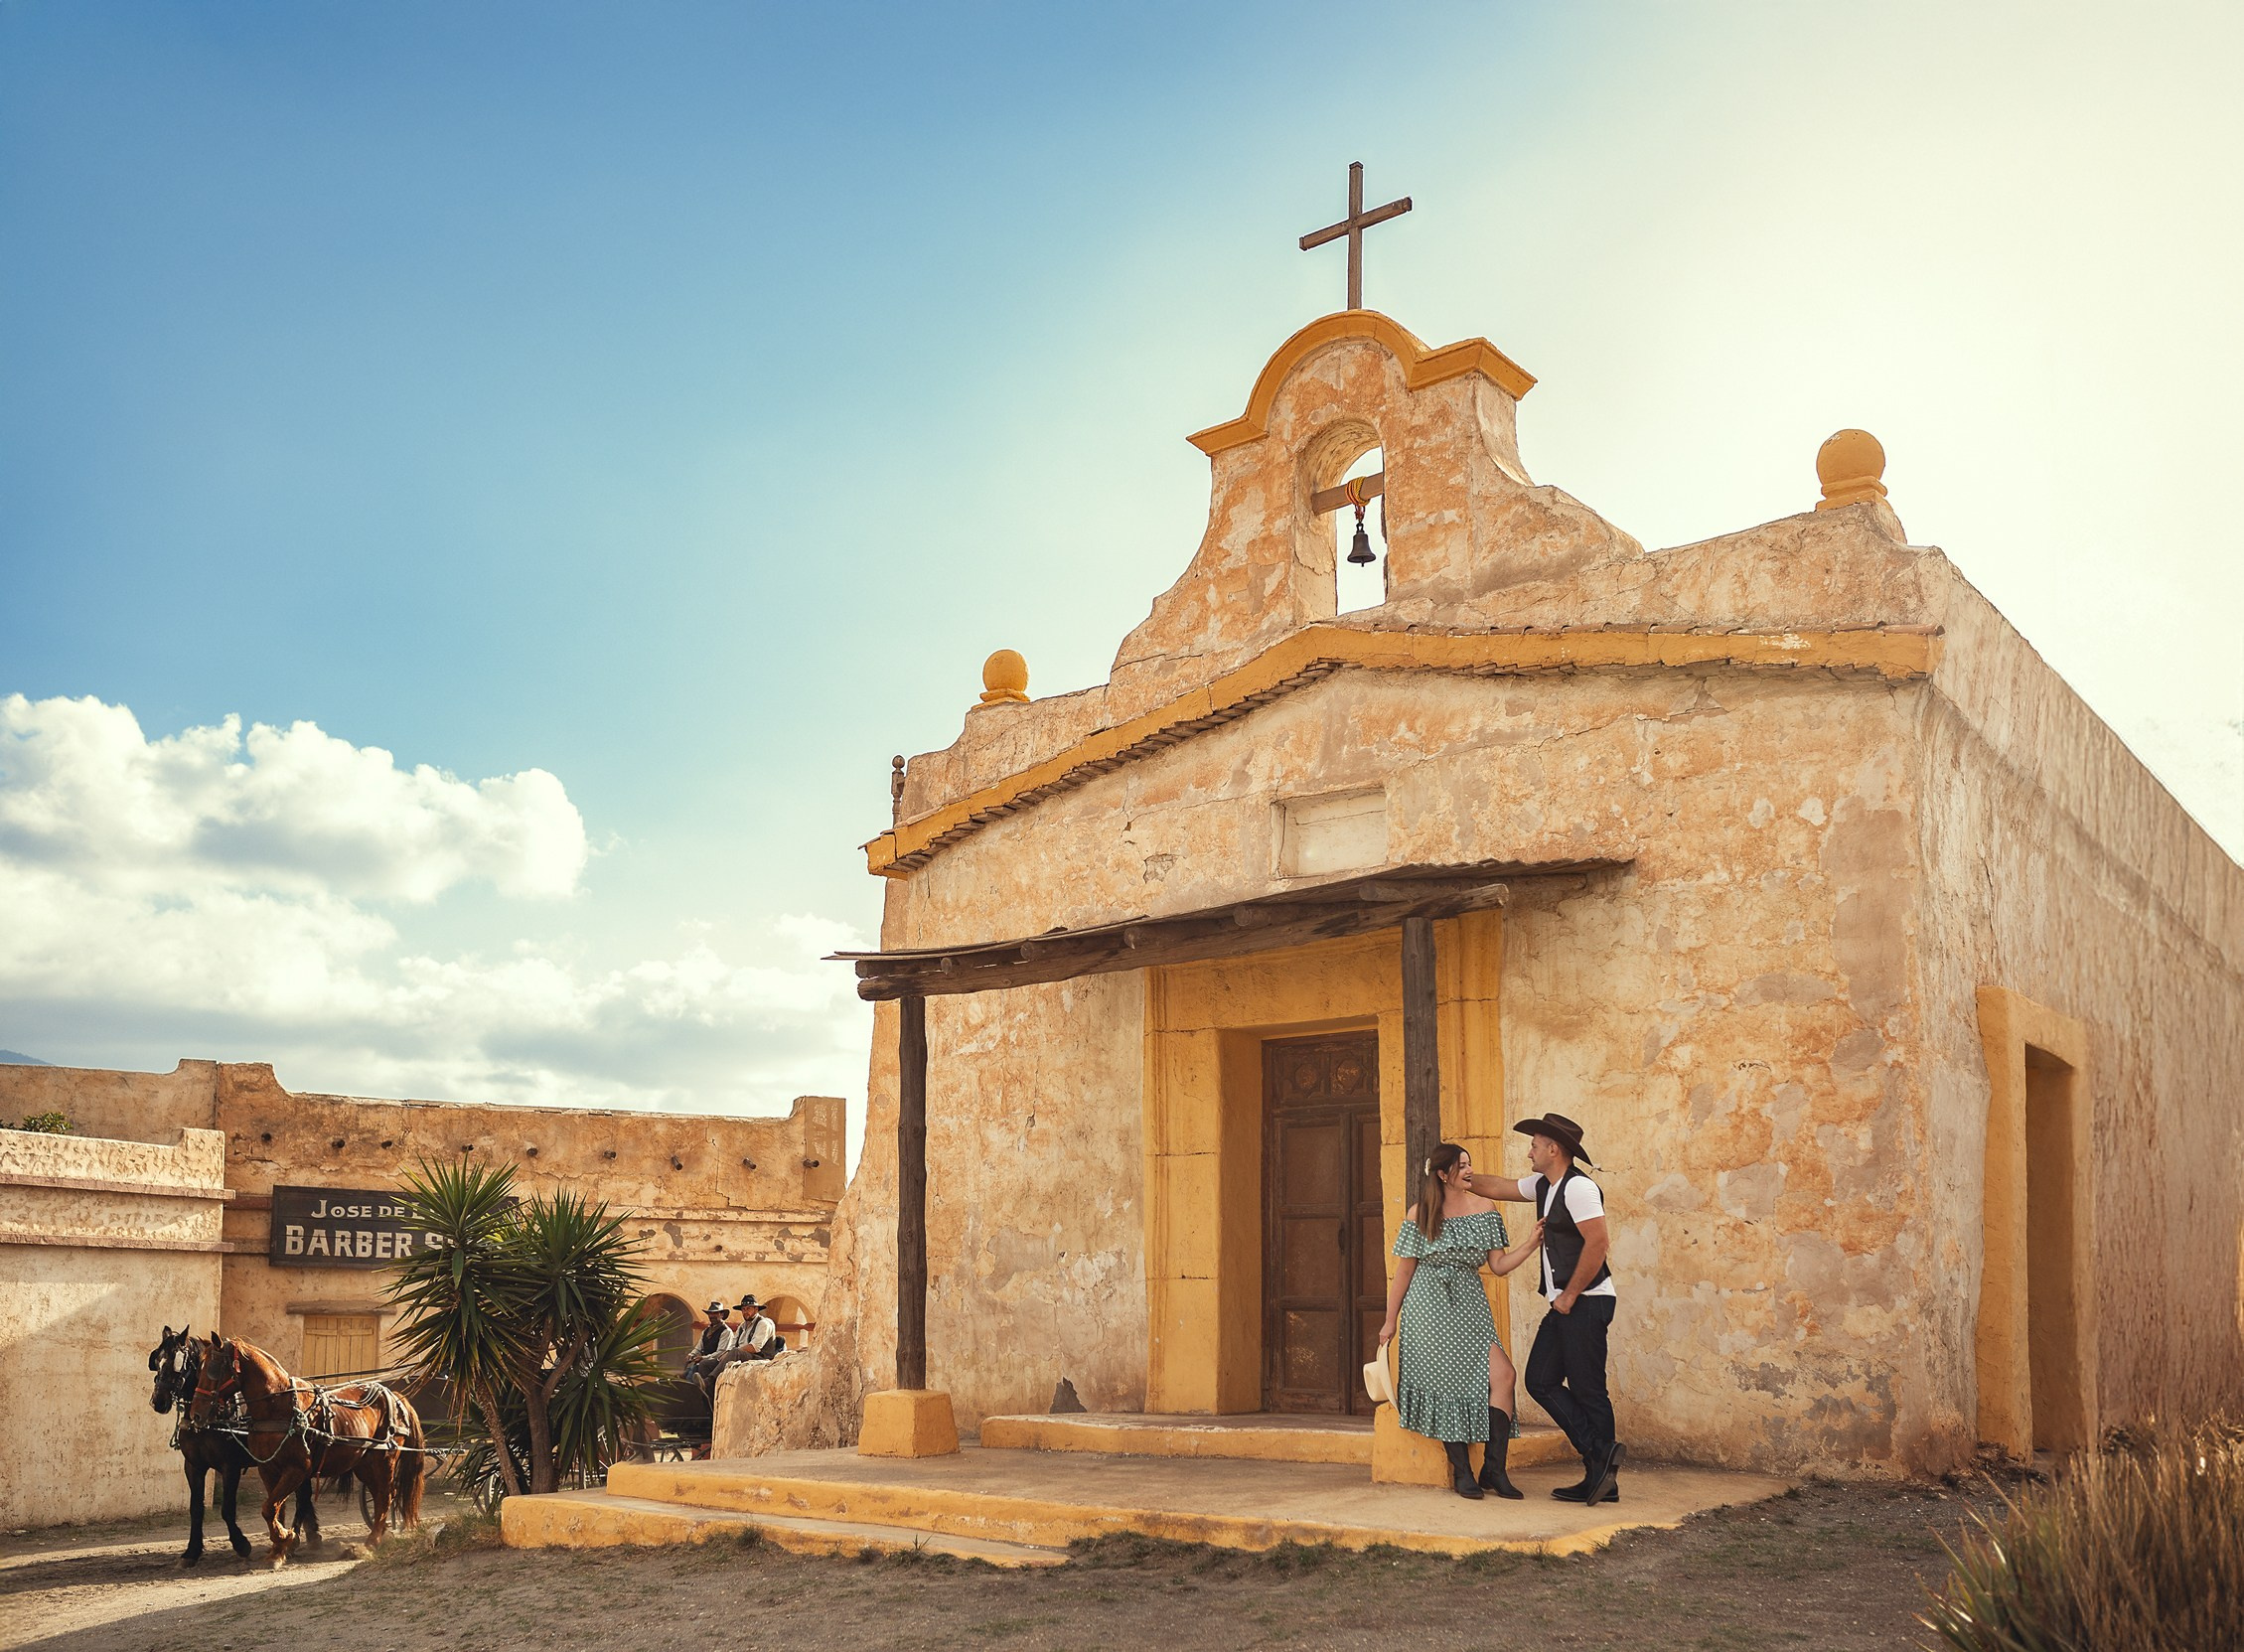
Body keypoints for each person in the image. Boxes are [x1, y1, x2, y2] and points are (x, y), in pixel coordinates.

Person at [1469, 1112, 1624, 1506]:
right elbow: (1500, 1187)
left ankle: (1602, 1476)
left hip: (1586, 1300)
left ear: (1553, 1149)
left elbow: (1598, 1242)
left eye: (1534, 1146)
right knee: (1539, 1379)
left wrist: (1569, 1296)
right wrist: (1457, 1176)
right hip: (1567, 1303)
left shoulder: (1579, 1188)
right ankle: (1599, 1457)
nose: (1529, 1152)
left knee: (1588, 1389)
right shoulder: (1545, 1184)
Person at [1375, 1140, 1545, 1500]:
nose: (1470, 1171)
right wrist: (1390, 1320)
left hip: (1470, 1303)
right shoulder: (1420, 1214)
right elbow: (1404, 1272)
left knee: (1504, 1375)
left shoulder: (1485, 1208)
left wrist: (1530, 1244)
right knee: (1445, 1383)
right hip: (1428, 1306)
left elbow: (1498, 1266)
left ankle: (1494, 1470)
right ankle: (1462, 1472)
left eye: (1469, 1164)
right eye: (1462, 1166)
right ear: (1442, 1174)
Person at [685, 1299, 738, 1390]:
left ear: (721, 1315)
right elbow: (699, 1347)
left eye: (715, 1313)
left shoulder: (726, 1332)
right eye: (710, 1314)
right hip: (705, 1361)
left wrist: (703, 1358)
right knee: (689, 1372)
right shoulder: (706, 1331)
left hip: (716, 1363)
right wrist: (692, 1354)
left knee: (701, 1366)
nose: (712, 1316)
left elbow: (721, 1352)